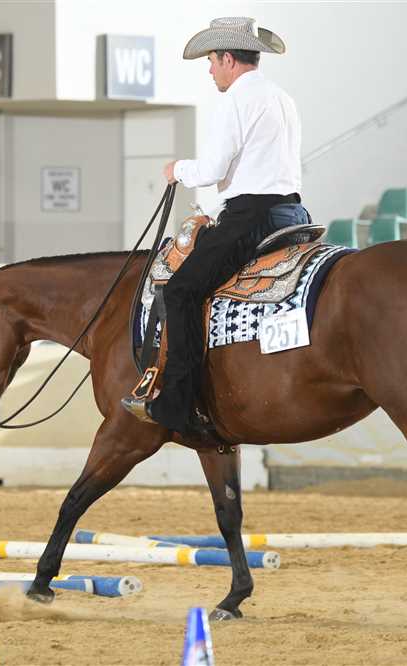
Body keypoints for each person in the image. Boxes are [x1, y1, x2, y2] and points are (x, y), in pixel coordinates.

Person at [121, 17, 305, 437]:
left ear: (227, 59)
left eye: (211, 61)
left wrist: (177, 170)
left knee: (181, 291)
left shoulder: (237, 100)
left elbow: (212, 170)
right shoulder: (282, 98)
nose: (209, 71)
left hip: (251, 218)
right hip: (293, 214)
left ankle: (178, 403)